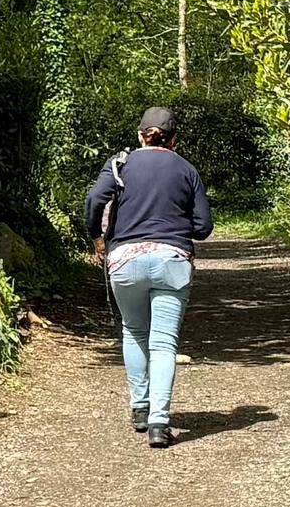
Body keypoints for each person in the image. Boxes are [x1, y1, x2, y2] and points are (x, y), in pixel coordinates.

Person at [83, 106, 214, 448]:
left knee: (133, 330)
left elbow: (95, 199)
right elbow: (203, 228)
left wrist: (97, 236)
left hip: (125, 261)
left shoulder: (121, 164)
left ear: (140, 134)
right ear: (174, 139)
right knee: (164, 342)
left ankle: (140, 409)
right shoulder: (187, 169)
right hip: (172, 261)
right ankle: (159, 422)